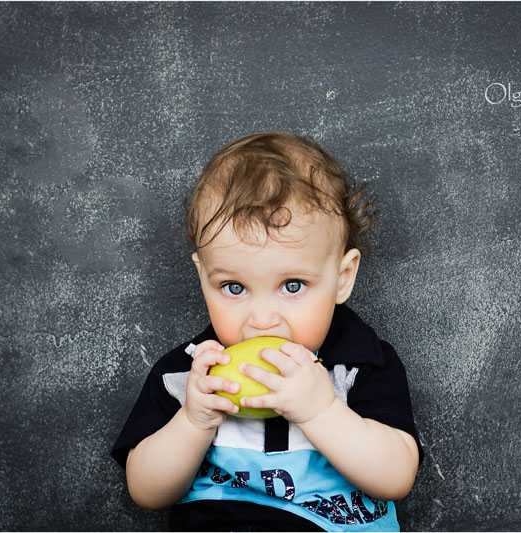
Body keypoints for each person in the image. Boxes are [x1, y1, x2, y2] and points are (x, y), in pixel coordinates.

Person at [111, 131, 422, 531]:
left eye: (292, 286)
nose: (261, 320)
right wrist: (193, 422)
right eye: (233, 288)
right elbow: (146, 492)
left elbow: (395, 478)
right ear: (203, 278)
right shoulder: (190, 374)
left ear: (342, 278)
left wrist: (320, 411)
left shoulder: (360, 365)